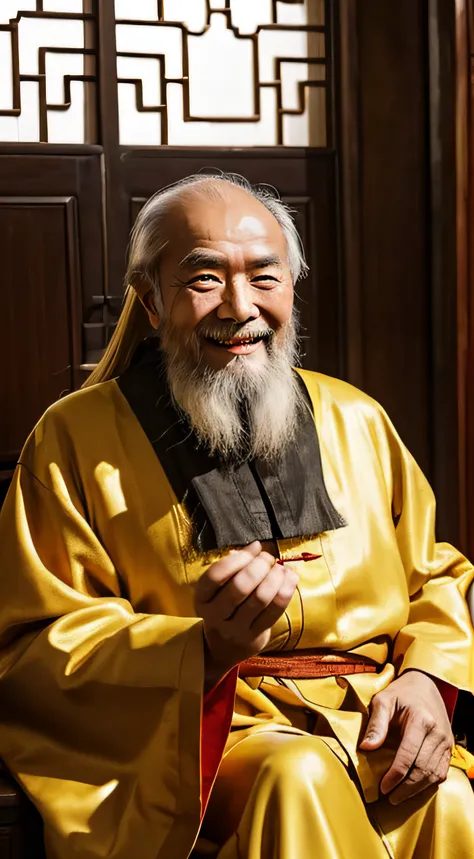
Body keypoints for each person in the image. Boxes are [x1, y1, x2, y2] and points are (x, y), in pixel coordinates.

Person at [0, 173, 473, 859]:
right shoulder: (75, 437)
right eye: (203, 279)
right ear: (152, 301)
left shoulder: (357, 417)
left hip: (368, 711)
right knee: (299, 773)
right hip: (204, 731)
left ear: (292, 288)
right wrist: (204, 649)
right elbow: (34, 646)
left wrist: (426, 680)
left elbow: (436, 574)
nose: (239, 305)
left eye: (264, 277)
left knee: (448, 796)